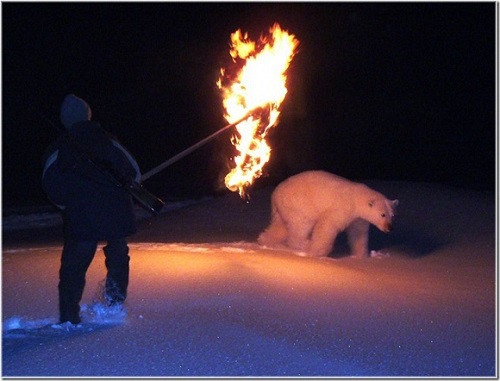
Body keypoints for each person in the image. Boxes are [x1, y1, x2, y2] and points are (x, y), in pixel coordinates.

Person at [42, 94, 141, 325]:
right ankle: (114, 305)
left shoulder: (59, 147)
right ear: (88, 115)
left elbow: (50, 184)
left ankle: (69, 317)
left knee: (73, 269)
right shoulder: (109, 141)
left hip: (82, 216)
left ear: (65, 120)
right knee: (117, 256)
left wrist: (67, 205)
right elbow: (134, 172)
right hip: (116, 212)